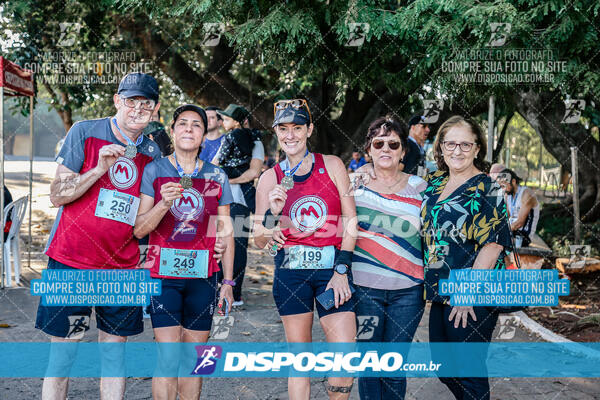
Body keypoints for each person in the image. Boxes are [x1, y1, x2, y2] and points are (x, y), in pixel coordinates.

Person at [35, 72, 162, 400]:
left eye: (145, 103)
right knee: (64, 355)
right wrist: (97, 170)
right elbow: (57, 195)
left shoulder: (153, 153)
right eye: (131, 100)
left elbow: (143, 220)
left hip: (122, 269)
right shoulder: (86, 131)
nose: (138, 108)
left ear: (155, 109)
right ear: (117, 100)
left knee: (114, 356)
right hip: (72, 263)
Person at [253, 98, 357, 399]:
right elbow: (260, 238)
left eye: (297, 127)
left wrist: (341, 269)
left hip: (331, 272)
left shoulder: (333, 165)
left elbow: (351, 220)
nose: (290, 135)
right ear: (276, 132)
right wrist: (272, 214)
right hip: (291, 274)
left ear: (309, 129)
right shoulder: (268, 178)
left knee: (344, 352)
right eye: (283, 129)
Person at [134, 104, 234, 400]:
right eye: (183, 124)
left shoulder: (218, 175)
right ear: (174, 130)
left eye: (196, 125)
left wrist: (228, 284)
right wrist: (163, 204)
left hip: (203, 278)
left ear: (204, 135)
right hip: (163, 278)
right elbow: (139, 229)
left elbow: (226, 232)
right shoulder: (154, 170)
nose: (189, 129)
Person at [420, 116, 512, 400]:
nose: (457, 150)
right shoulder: (435, 181)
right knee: (444, 368)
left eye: (465, 144)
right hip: (441, 291)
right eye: (450, 143)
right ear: (441, 147)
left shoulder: (487, 187)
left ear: (476, 149)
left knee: (469, 373)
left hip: (472, 291)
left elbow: (493, 244)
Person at [351, 118, 426, 400]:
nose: (386, 148)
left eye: (393, 144)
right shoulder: (353, 183)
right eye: (378, 143)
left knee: (394, 365)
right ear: (369, 149)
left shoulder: (420, 188)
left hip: (408, 292)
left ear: (403, 150)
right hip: (363, 290)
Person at [214, 104, 264, 306]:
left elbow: (254, 173)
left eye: (225, 118)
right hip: (219, 201)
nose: (221, 122)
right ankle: (218, 286)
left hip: (241, 200)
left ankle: (236, 291)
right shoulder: (226, 138)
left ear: (237, 121)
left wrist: (229, 181)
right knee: (218, 242)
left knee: (239, 245)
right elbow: (216, 163)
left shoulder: (256, 142)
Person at [498, 168, 539, 247]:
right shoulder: (508, 195)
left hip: (523, 234)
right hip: (512, 231)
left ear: (513, 181)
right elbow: (505, 216)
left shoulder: (526, 194)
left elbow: (519, 223)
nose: (502, 188)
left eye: (503, 185)